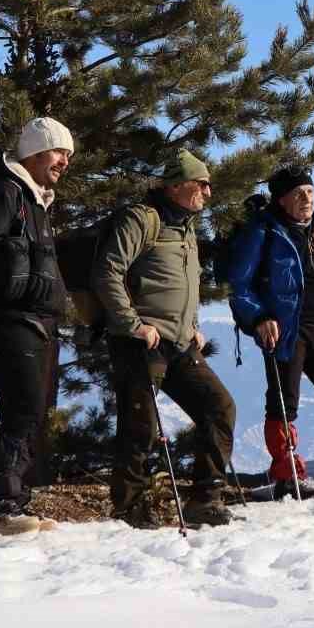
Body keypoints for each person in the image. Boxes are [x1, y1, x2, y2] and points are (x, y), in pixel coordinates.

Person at [93, 150, 238, 527]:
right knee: (141, 425)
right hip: (142, 341)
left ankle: (205, 498)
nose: (208, 191)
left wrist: (192, 325)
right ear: (177, 185)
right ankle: (130, 506)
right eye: (201, 183)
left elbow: (182, 286)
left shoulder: (186, 227)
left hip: (179, 342)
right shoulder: (142, 219)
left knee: (218, 407)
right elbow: (108, 272)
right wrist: (132, 324)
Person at [226, 166, 314, 496]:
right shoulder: (264, 232)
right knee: (283, 402)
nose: (307, 198)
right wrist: (259, 318)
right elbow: (239, 284)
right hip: (284, 329)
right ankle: (287, 475)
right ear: (281, 200)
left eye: (310, 192)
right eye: (298, 194)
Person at [0, 117, 73, 536]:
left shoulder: (32, 197)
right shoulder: (4, 191)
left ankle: (10, 502)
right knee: (22, 409)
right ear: (32, 152)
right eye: (57, 152)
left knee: (29, 412)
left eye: (68, 155)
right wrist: (29, 290)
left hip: (31, 318)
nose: (64, 161)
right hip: (9, 318)